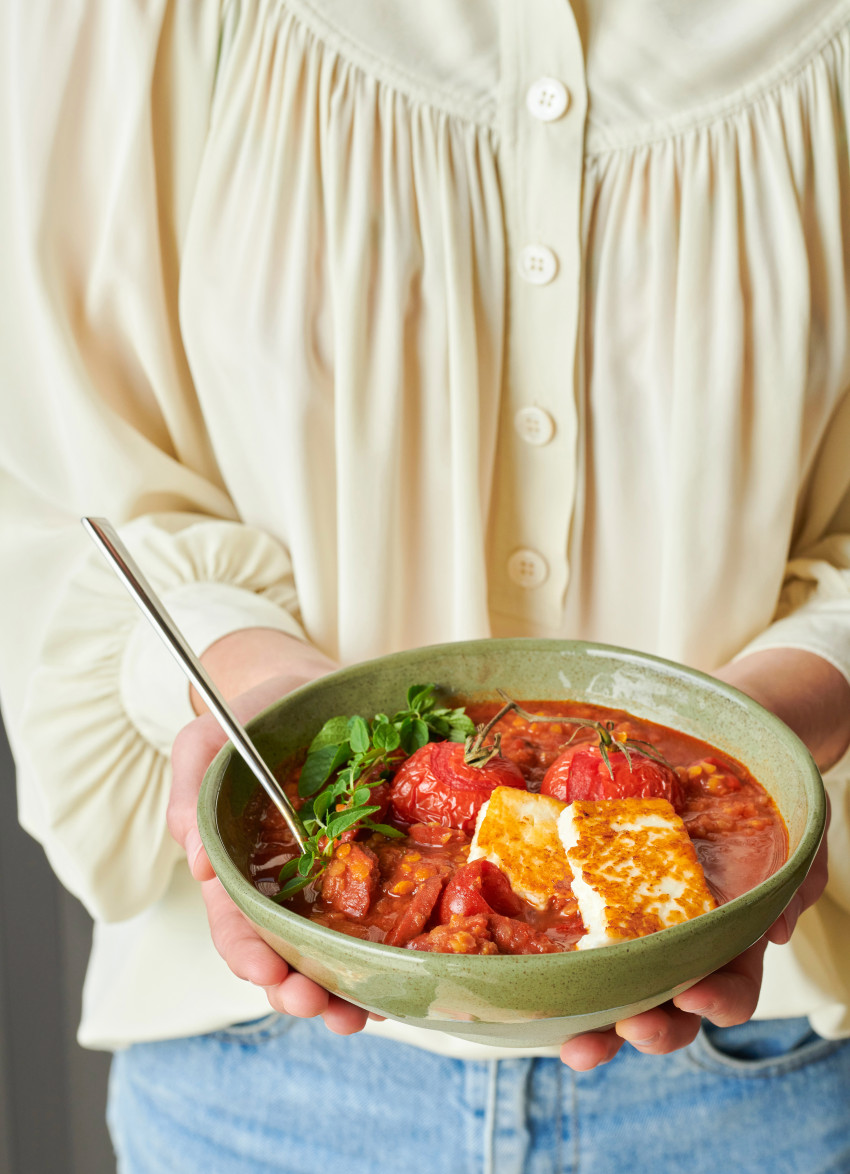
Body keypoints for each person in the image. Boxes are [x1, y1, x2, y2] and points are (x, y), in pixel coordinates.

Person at [2, 1, 850, 1170]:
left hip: (769, 1073)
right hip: (255, 1077)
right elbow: (59, 478)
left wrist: (770, 726)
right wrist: (244, 679)